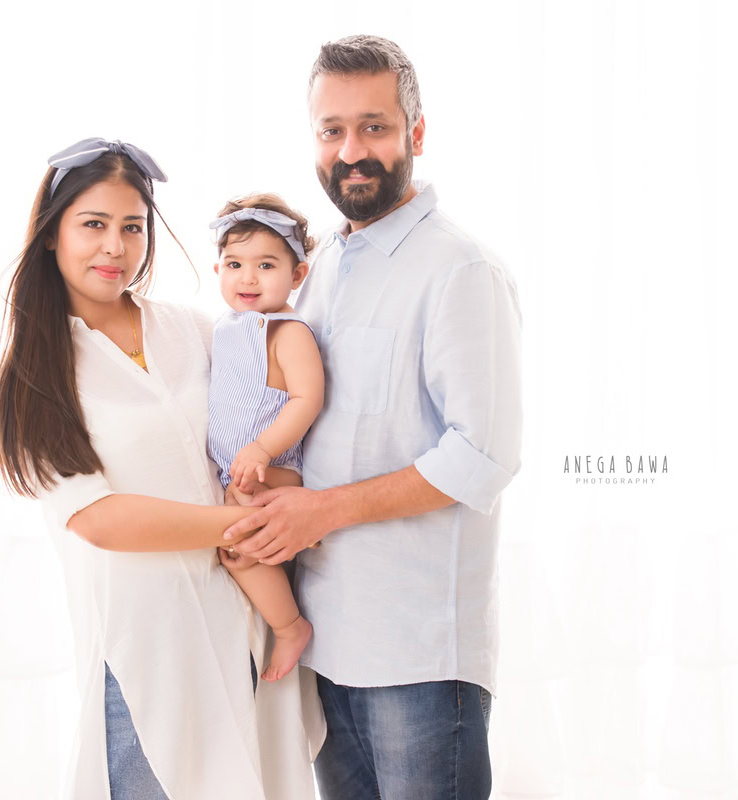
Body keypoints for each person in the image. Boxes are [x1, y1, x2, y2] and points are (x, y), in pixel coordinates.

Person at [223, 35, 524, 800]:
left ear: (415, 135)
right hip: (326, 646)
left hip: (418, 657)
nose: (352, 150)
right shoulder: (314, 271)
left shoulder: (461, 271)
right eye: (332, 131)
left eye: (374, 127)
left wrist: (317, 510)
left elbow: (481, 457)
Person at [0, 138, 323, 800]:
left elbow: (265, 424)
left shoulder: (194, 330)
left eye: (132, 227)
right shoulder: (34, 371)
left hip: (245, 628)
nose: (115, 247)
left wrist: (294, 504)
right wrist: (244, 526)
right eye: (94, 225)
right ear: (52, 234)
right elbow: (101, 520)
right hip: (145, 650)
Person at [206, 194, 323, 682]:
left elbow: (306, 399)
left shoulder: (286, 331)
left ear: (297, 276)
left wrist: (261, 449)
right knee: (233, 548)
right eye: (234, 264)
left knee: (239, 549)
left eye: (266, 265)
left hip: (273, 468)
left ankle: (291, 627)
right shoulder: (226, 329)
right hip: (241, 469)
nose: (247, 278)